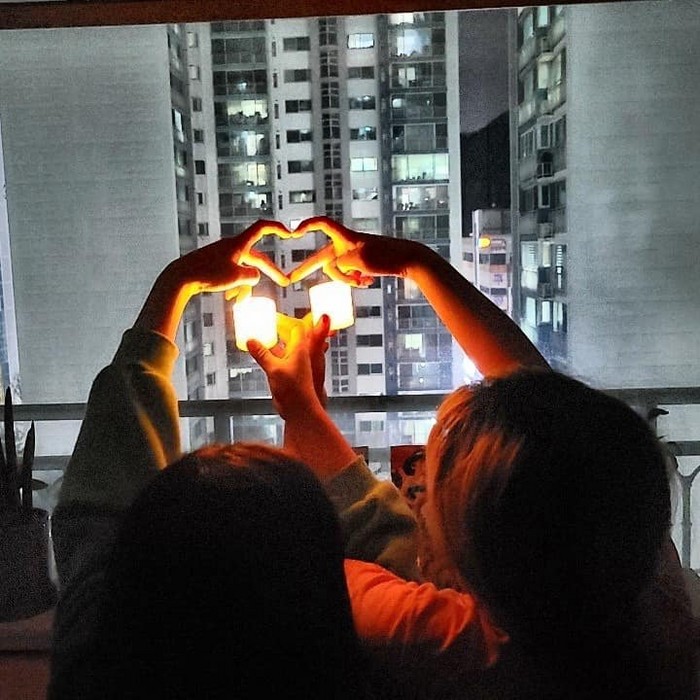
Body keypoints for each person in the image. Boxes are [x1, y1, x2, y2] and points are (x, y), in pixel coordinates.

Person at [250, 217, 698, 698]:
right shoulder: (641, 578)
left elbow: (302, 563)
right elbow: (551, 424)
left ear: (464, 553)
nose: (416, 490)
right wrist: (417, 263)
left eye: (430, 489)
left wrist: (301, 409)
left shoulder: (447, 641)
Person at [47, 222, 381, 699]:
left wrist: (178, 280)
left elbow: (100, 506)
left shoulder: (97, 666)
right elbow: (387, 542)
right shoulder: (382, 667)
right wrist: (307, 412)